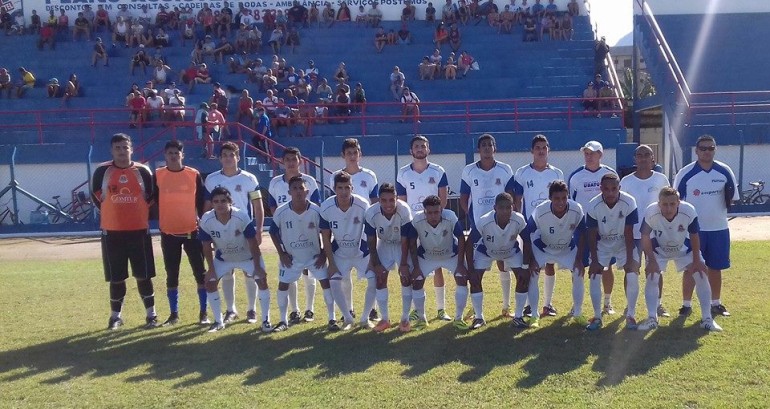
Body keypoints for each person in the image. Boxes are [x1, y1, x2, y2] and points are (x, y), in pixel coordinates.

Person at [91, 133, 158, 330]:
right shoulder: (102, 171)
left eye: (125, 147)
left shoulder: (143, 171)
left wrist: (136, 213)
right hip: (112, 232)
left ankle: (151, 315)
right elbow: (97, 198)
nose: (122, 151)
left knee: (144, 275)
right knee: (116, 277)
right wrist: (112, 214)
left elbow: (152, 197)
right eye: (118, 148)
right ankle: (115, 317)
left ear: (131, 149)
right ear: (112, 150)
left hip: (139, 231)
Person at [204, 142, 269, 330]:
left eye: (231, 155)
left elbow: (258, 206)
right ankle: (231, 309)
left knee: (250, 272)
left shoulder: (249, 178)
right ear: (219, 158)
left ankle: (251, 309)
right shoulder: (211, 179)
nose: (227, 158)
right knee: (226, 271)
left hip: (245, 231)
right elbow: (208, 207)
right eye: (224, 155)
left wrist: (258, 229)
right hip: (222, 232)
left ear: (237, 157)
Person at [638, 187, 722, 332]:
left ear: (679, 202)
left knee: (701, 274)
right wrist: (651, 260)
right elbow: (645, 236)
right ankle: (652, 318)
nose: (668, 208)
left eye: (672, 204)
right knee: (652, 277)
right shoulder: (651, 212)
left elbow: (695, 235)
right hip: (659, 249)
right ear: (659, 204)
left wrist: (696, 259)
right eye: (664, 204)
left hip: (684, 249)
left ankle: (707, 319)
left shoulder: (688, 210)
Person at [673, 135, 738, 317]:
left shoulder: (725, 171)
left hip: (719, 229)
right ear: (696, 150)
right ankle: (686, 305)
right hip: (693, 231)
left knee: (715, 267)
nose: (707, 151)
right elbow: (676, 201)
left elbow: (732, 197)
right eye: (703, 148)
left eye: (710, 148)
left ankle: (715, 303)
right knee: (691, 267)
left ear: (715, 150)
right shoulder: (685, 173)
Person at [269, 176, 338, 332]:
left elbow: (326, 233)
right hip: (291, 259)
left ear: (307, 191)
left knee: (326, 283)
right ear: (289, 191)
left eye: (301, 188)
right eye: (295, 188)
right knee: (283, 284)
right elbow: (273, 232)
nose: (298, 191)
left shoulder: (316, 210)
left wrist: (323, 254)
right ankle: (282, 320)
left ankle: (332, 318)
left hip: (314, 257)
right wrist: (282, 254)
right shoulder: (281, 211)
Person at [396, 135, 452, 322]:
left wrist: (435, 220)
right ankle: (415, 309)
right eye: (416, 146)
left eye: (423, 146)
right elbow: (402, 202)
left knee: (437, 267)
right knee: (414, 267)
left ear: (429, 149)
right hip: (414, 225)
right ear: (411, 151)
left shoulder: (438, 171)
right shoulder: (403, 173)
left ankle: (441, 309)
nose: (420, 149)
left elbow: (442, 200)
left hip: (434, 223)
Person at [153, 141, 208, 326]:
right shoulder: (158, 175)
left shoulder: (193, 175)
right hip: (168, 233)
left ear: (182, 154)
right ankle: (174, 314)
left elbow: (201, 202)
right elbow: (152, 200)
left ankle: (204, 313)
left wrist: (204, 224)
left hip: (192, 231)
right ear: (165, 155)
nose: (174, 156)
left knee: (200, 273)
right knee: (172, 274)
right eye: (170, 153)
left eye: (177, 152)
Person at [460, 134, 516, 317]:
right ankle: (475, 309)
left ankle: (506, 306)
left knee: (503, 263)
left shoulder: (505, 169)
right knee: (478, 269)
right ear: (478, 149)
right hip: (480, 227)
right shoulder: (469, 171)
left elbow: (510, 197)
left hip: (501, 225)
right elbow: (463, 198)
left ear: (495, 148)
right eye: (483, 145)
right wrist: (473, 218)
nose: (486, 148)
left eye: (489, 145)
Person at [199, 187, 267, 332]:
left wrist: (257, 266)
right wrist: (211, 270)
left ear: (231, 202)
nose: (220, 204)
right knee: (210, 283)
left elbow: (253, 243)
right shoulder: (206, 219)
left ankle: (265, 320)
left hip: (246, 257)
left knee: (261, 280)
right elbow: (206, 246)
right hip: (224, 258)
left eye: (223, 201)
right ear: (211, 203)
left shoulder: (241, 216)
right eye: (216, 201)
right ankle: (218, 321)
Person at [521, 180, 587, 327]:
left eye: (564, 198)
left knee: (578, 273)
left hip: (566, 249)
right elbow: (527, 233)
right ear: (550, 198)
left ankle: (577, 312)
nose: (561, 202)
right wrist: (531, 259)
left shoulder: (576, 209)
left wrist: (579, 259)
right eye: (557, 198)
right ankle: (534, 315)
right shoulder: (540, 210)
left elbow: (582, 233)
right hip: (543, 247)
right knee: (533, 274)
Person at [512, 134, 563, 318]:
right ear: (531, 151)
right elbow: (517, 200)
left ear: (548, 150)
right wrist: (520, 223)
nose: (541, 151)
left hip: (550, 225)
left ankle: (547, 304)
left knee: (550, 264)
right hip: (530, 226)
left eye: (544, 147)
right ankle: (528, 305)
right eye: (537, 148)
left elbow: (561, 201)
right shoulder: (522, 173)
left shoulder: (557, 173)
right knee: (531, 265)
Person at [268, 148, 321, 322]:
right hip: (287, 234)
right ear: (282, 161)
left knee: (308, 271)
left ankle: (309, 308)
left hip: (308, 231)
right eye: (287, 159)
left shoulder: (310, 181)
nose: (291, 162)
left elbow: (316, 206)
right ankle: (294, 309)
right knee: (290, 269)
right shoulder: (275, 182)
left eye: (294, 159)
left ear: (300, 161)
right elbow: (273, 208)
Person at [567, 140, 618, 315]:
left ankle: (607, 302)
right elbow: (570, 203)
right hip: (582, 227)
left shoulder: (610, 174)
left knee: (607, 266)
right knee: (579, 264)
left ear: (600, 155)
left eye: (593, 153)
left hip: (605, 227)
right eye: (586, 153)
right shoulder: (575, 176)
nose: (589, 156)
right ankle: (577, 303)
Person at [620, 144, 671, 317]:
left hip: (655, 235)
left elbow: (669, 204)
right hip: (633, 234)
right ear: (635, 159)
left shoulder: (661, 179)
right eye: (639, 155)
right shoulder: (626, 182)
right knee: (631, 270)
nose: (643, 158)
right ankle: (630, 305)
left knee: (655, 270)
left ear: (653, 158)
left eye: (646, 155)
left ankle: (658, 304)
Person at [585, 173, 639, 330]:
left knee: (632, 271)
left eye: (614, 189)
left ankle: (631, 315)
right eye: (606, 189)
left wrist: (630, 260)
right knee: (595, 273)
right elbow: (592, 235)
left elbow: (629, 233)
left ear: (619, 188)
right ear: (600, 188)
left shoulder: (629, 202)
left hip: (623, 243)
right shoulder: (593, 205)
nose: (610, 192)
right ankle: (597, 317)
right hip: (602, 244)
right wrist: (594, 261)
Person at [405, 195, 468, 330]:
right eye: (430, 213)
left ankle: (458, 318)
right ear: (424, 212)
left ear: (442, 210)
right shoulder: (417, 219)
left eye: (436, 212)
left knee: (462, 278)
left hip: (450, 255)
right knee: (417, 281)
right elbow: (411, 243)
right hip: (427, 257)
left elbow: (461, 238)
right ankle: (422, 319)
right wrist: (416, 267)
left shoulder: (450, 217)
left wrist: (461, 264)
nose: (433, 216)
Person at [465, 193, 528, 329]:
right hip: (486, 251)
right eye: (501, 208)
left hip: (511, 251)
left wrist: (525, 266)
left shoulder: (519, 220)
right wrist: (470, 269)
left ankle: (518, 317)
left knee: (523, 278)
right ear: (495, 208)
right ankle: (478, 317)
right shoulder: (484, 221)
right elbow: (469, 244)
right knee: (475, 279)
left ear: (513, 207)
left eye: (508, 208)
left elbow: (527, 241)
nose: (505, 211)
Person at [319, 172, 369, 330]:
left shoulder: (362, 204)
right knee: (334, 280)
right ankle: (348, 318)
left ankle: (366, 318)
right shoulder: (326, 207)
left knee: (375, 278)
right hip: (340, 251)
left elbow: (371, 232)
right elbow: (325, 237)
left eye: (347, 187)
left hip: (360, 250)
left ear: (352, 188)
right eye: (340, 188)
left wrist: (373, 258)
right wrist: (331, 263)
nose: (343, 191)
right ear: (334, 189)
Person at [362, 183, 413, 331]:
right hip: (384, 244)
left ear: (397, 198)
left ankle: (405, 319)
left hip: (401, 245)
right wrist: (376, 263)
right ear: (379, 200)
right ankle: (385, 319)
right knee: (379, 277)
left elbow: (405, 240)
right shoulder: (371, 213)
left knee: (405, 278)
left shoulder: (404, 210)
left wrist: (403, 264)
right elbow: (371, 241)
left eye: (392, 200)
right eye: (384, 200)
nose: (388, 204)